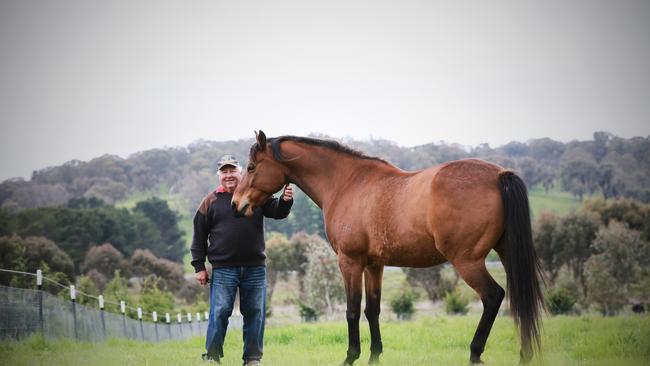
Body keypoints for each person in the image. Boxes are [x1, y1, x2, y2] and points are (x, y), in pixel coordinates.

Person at [191, 154, 293, 365]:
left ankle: (252, 359)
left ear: (241, 173)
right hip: (223, 269)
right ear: (219, 175)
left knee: (255, 313)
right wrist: (199, 267)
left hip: (254, 268)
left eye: (232, 171)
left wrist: (285, 201)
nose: (229, 175)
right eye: (224, 171)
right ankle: (212, 356)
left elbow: (277, 212)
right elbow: (199, 237)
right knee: (219, 313)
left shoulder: (254, 195)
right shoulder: (210, 201)